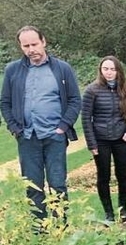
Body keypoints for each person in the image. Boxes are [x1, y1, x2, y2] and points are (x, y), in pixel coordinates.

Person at [0, 26, 81, 222]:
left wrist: (63, 127)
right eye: (26, 45)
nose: (31, 49)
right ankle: (40, 229)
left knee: (57, 184)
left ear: (43, 42)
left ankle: (61, 227)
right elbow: (5, 102)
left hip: (55, 136)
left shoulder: (62, 69)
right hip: (27, 137)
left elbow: (74, 100)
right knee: (32, 186)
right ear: (21, 47)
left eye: (34, 44)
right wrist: (15, 128)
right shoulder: (13, 71)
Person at [81, 56, 126, 222]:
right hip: (100, 140)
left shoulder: (125, 89)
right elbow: (86, 118)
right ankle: (109, 213)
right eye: (105, 69)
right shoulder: (92, 91)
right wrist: (91, 144)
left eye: (112, 69)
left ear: (118, 71)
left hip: (121, 139)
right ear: (101, 71)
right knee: (104, 176)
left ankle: (123, 211)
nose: (109, 73)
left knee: (122, 174)